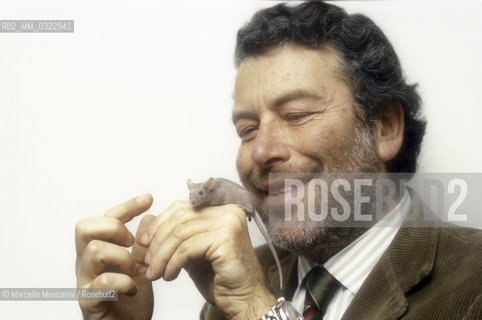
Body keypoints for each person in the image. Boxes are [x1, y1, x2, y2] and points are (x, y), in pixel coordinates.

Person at [75, 1, 482, 319]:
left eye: (297, 115)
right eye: (247, 129)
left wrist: (259, 311)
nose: (261, 151)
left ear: (384, 127)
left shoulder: (472, 284)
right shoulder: (234, 286)